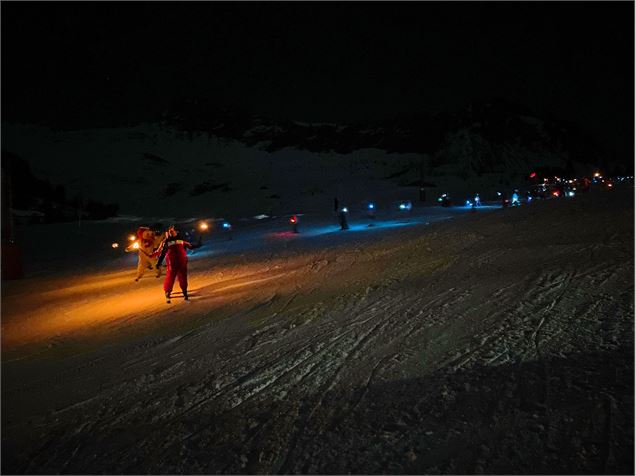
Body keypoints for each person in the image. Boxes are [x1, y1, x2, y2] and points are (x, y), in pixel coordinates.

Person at [152, 225, 200, 303]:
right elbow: (163, 253)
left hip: (180, 262)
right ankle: (169, 291)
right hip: (175, 262)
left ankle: (182, 291)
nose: (173, 232)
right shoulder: (168, 242)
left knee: (178, 276)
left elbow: (190, 246)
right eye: (171, 231)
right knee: (173, 276)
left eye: (173, 231)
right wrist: (159, 262)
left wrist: (198, 244)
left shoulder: (180, 241)